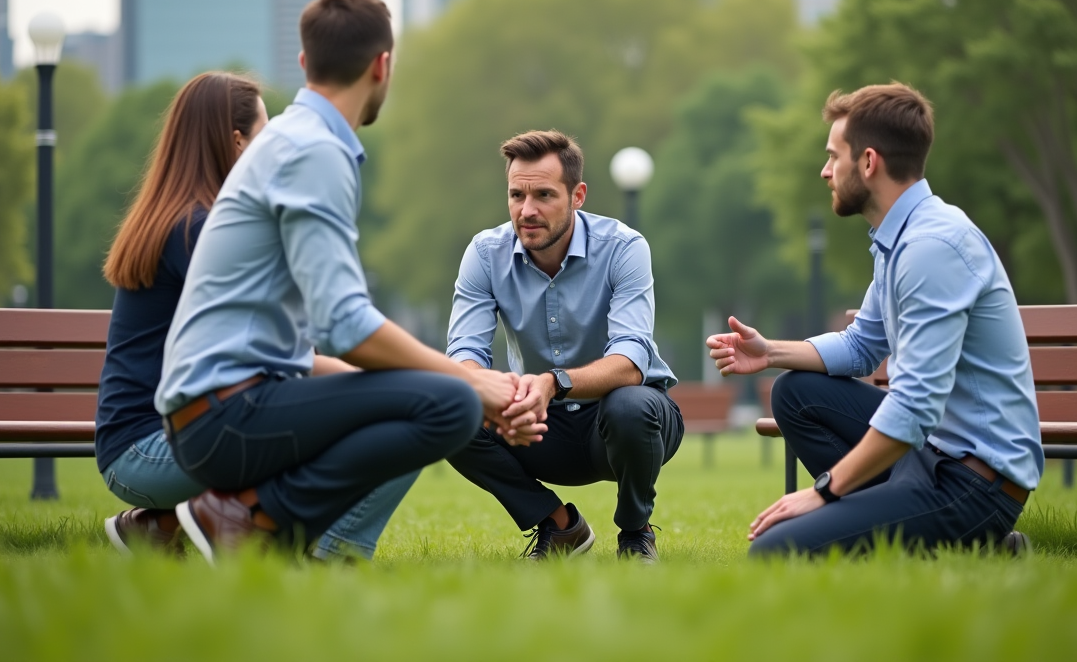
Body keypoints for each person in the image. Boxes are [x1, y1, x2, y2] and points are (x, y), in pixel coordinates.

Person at [154, 0, 517, 564]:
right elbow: (347, 326)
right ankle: (247, 521)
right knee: (448, 404)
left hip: (212, 406)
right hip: (222, 414)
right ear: (382, 65)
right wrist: (476, 381)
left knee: (431, 394)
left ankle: (260, 527)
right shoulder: (314, 152)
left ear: (305, 63)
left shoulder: (288, 140)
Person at [707, 83, 1042, 557]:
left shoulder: (932, 248)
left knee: (775, 551)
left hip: (970, 484)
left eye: (832, 157)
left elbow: (917, 404)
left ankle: (970, 538)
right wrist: (770, 353)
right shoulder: (901, 237)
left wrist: (824, 492)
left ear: (868, 162)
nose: (825, 171)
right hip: (929, 455)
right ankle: (925, 533)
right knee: (796, 391)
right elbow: (863, 345)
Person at [97, 71, 419, 562]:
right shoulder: (199, 231)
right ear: (236, 141)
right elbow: (296, 361)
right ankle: (328, 557)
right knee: (404, 412)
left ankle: (163, 526)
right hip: (155, 449)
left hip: (140, 446)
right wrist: (391, 380)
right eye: (265, 137)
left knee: (381, 407)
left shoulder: (180, 219)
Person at [445, 130, 682, 562]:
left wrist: (554, 383)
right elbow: (464, 355)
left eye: (544, 195)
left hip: (623, 424)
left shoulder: (624, 248)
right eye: (517, 195)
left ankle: (635, 530)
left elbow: (631, 361)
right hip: (536, 424)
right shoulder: (484, 253)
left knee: (631, 404)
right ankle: (559, 526)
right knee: (450, 407)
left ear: (578, 196)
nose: (527, 210)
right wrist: (498, 394)